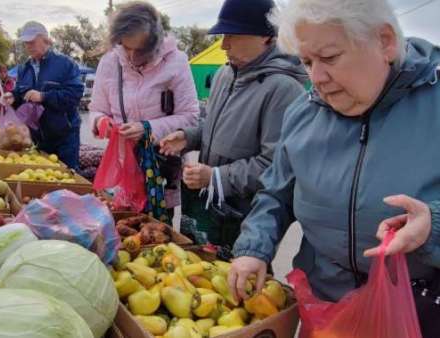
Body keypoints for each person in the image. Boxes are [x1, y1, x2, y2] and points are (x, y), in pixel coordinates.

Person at [226, 0, 440, 336]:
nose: (317, 78)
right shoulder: (302, 113)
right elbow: (275, 194)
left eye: (329, 57)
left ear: (385, 41)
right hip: (326, 310)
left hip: (419, 314)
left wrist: (434, 224)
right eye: (307, 62)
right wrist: (254, 249)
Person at [159, 0, 307, 246]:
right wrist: (189, 136)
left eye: (233, 35)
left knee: (236, 279)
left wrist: (217, 177)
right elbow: (213, 125)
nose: (224, 44)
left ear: (266, 37)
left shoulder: (284, 89)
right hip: (208, 206)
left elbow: (276, 166)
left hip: (246, 219)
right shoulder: (223, 74)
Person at [89, 1, 199, 217]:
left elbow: (191, 118)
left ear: (154, 43)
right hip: (121, 166)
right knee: (118, 222)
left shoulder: (176, 62)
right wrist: (101, 122)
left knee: (154, 232)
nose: (130, 56)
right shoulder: (110, 62)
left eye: (138, 50)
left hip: (160, 167)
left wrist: (148, 128)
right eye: (125, 47)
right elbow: (96, 109)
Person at [8, 22, 84, 170]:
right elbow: (20, 93)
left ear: (45, 40)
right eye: (26, 43)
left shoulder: (65, 64)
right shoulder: (24, 68)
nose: (28, 46)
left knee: (67, 178)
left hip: (64, 137)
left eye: (32, 41)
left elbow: (74, 95)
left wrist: (44, 96)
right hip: (38, 137)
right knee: (44, 179)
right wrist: (11, 97)